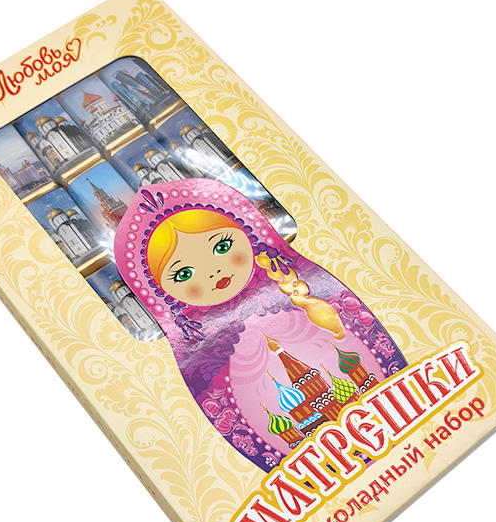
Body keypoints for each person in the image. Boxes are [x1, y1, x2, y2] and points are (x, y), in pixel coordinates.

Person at [114, 178, 407, 472]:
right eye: (183, 274)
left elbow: (369, 337)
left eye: (222, 246)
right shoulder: (202, 356)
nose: (214, 271)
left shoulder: (301, 286)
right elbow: (232, 421)